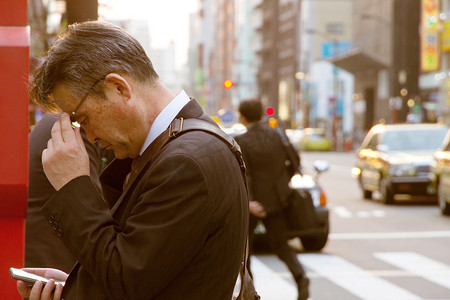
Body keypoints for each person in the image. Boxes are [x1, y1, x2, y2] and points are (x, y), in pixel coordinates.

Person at [17, 20, 248, 300]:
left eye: (83, 118)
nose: (89, 136)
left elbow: (125, 281)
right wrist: (77, 287)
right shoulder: (189, 143)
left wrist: (73, 186)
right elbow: (149, 274)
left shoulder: (185, 162)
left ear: (118, 88)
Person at [234, 99, 310, 300]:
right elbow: (295, 162)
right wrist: (281, 186)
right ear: (261, 115)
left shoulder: (241, 141)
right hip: (277, 200)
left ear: (242, 117)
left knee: (245, 251)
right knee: (281, 245)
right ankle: (301, 278)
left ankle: (250, 294)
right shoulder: (278, 135)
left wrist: (249, 201)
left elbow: (243, 174)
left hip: (253, 203)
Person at [26, 113, 114, 273]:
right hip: (54, 257)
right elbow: (92, 202)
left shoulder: (55, 122)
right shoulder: (73, 130)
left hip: (40, 249)